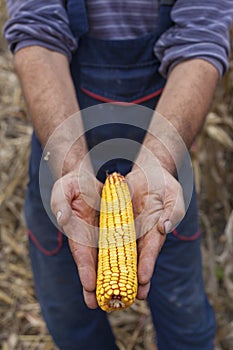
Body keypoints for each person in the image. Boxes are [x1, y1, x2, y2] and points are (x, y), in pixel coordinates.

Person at [4, 1, 233, 349]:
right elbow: (38, 33)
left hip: (164, 145)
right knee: (69, 314)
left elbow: (199, 39)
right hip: (62, 140)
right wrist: (71, 164)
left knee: (184, 318)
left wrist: (157, 162)